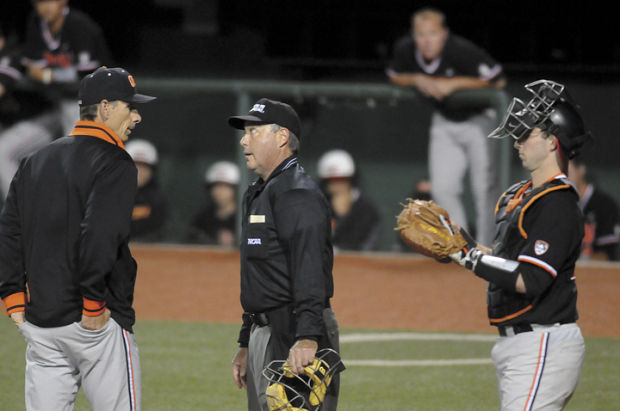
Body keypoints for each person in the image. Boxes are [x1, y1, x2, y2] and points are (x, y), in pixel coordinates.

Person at [0, 66, 156, 410]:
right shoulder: (115, 162)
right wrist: (93, 304)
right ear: (106, 107)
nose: (137, 115)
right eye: (130, 106)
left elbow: (10, 230)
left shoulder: (36, 160)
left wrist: (12, 297)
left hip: (40, 322)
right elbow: (100, 234)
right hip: (93, 323)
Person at [449, 79, 591, 410]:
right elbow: (505, 261)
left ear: (554, 142)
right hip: (523, 345)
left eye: (527, 134)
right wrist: (462, 248)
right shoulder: (522, 195)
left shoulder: (557, 204)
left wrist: (469, 257)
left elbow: (531, 279)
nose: (517, 142)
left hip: (543, 343)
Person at [228, 98, 343, 410]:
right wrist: (247, 341)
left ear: (282, 138)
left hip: (295, 332)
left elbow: (310, 268)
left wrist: (307, 336)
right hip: (265, 332)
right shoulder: (260, 191)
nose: (243, 139)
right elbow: (260, 277)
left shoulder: (296, 193)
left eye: (253, 131)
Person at [387, 6, 505, 246]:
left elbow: (498, 80)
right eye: (421, 34)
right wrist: (417, 78)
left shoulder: (460, 50)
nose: (427, 41)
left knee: (484, 190)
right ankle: (463, 247)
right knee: (442, 189)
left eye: (433, 34)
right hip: (445, 121)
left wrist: (454, 84)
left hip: (479, 120)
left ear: (444, 34)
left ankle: (489, 251)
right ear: (413, 36)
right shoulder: (406, 49)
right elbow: (395, 74)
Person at [0, 0, 112, 197]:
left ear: (63, 2)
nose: (45, 7)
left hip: (100, 110)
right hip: (60, 108)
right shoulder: (36, 24)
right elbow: (30, 63)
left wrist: (49, 75)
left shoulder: (80, 26)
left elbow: (89, 75)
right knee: (3, 151)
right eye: (40, 2)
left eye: (50, 0)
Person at [317, 148, 381, 252]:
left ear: (350, 179)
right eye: (331, 180)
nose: (336, 184)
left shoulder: (366, 208)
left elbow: (367, 245)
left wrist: (343, 215)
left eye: (341, 179)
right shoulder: (317, 206)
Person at [568, 155, 619, 261]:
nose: (563, 179)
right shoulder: (559, 205)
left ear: (581, 169)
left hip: (598, 275)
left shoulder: (605, 206)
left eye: (566, 172)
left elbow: (607, 256)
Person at [187, 160, 240, 246]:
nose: (219, 191)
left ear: (235, 189)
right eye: (215, 186)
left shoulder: (245, 217)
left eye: (225, 186)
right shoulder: (202, 219)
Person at [126, 138, 169, 242]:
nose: (139, 172)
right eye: (135, 166)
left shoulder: (158, 201)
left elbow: (161, 234)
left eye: (145, 168)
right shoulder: (106, 196)